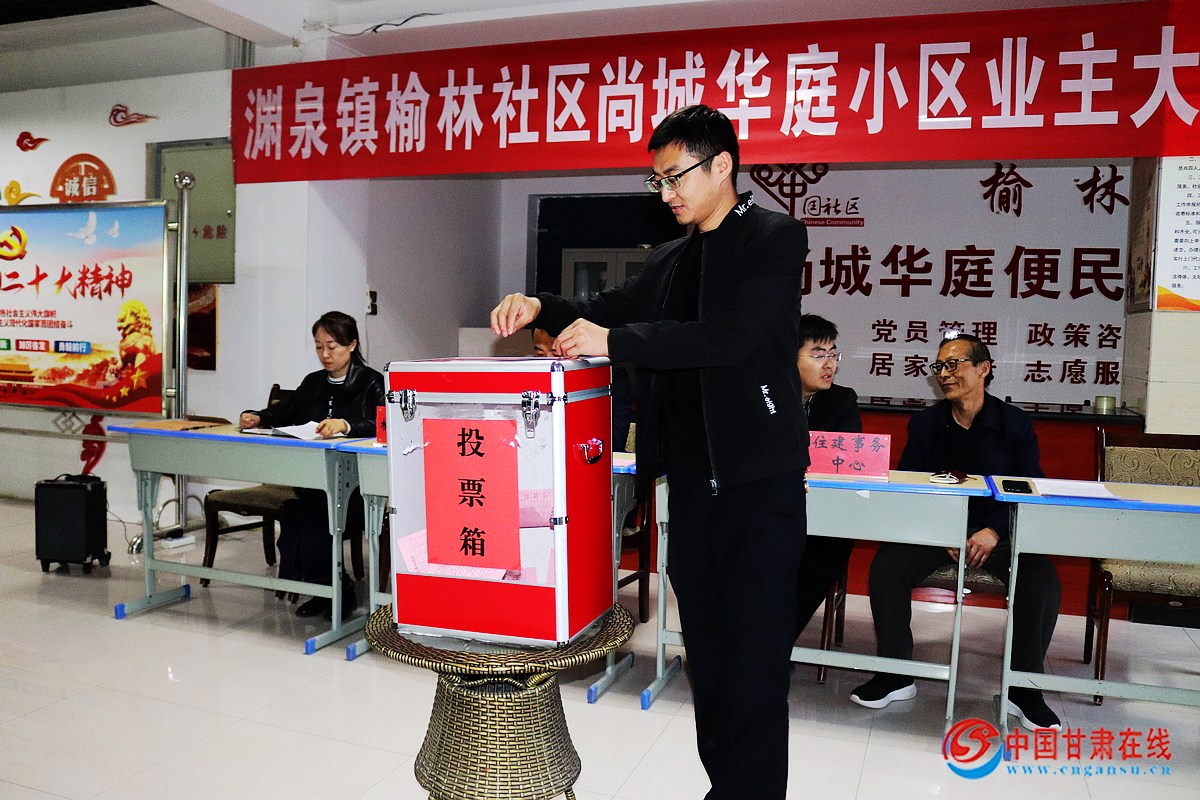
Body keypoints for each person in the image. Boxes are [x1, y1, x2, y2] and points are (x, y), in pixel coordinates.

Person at [491, 104, 808, 800]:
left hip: (758, 486)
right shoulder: (670, 257)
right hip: (690, 487)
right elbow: (610, 308)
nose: (665, 193)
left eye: (675, 176)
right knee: (708, 660)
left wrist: (618, 342)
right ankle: (727, 789)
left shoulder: (774, 238)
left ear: (722, 165)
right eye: (656, 180)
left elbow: (732, 335)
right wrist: (541, 306)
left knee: (755, 665)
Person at [849, 332, 1063, 731]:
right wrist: (944, 531)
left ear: (983, 369)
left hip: (998, 535)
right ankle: (895, 674)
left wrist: (994, 530)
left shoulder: (1014, 424)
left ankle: (1024, 689)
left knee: (1039, 576)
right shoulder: (926, 423)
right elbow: (911, 486)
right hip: (940, 533)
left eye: (954, 364)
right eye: (939, 367)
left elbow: (1029, 487)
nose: (944, 374)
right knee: (888, 564)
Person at [238, 311, 385, 619]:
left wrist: (345, 425)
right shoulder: (313, 382)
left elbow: (382, 422)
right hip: (316, 482)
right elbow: (286, 411)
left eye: (332, 346)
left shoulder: (372, 382)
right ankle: (322, 592)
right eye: (319, 347)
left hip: (356, 488)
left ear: (351, 345)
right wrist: (258, 417)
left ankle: (340, 593)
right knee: (296, 521)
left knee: (318, 527)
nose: (325, 354)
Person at [794, 314, 860, 638]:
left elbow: (849, 459)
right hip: (769, 512)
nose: (830, 364)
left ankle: (776, 643)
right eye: (819, 355)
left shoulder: (841, 400)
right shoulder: (764, 398)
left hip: (824, 516)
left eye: (834, 354)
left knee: (827, 551)